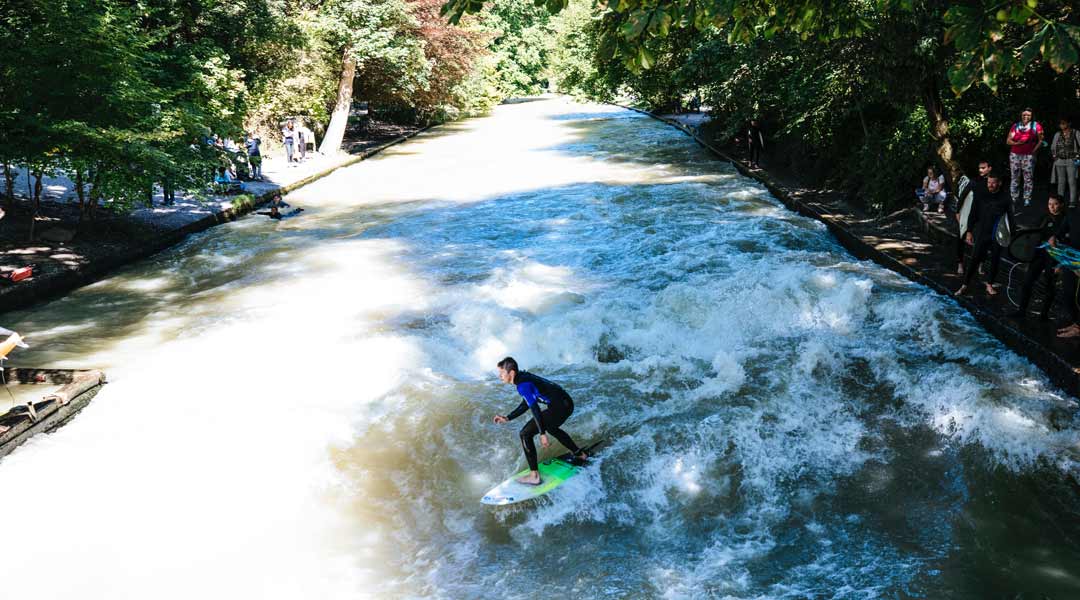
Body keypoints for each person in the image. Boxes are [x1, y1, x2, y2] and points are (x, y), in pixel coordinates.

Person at [492, 357, 587, 486]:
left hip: (560, 407)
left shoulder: (522, 385)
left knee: (525, 434)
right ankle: (579, 454)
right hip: (566, 403)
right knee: (552, 427)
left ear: (512, 373)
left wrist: (542, 433)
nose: (500, 376)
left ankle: (534, 476)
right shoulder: (523, 377)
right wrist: (508, 417)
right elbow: (527, 402)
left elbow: (534, 408)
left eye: (502, 373)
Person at [1007, 192, 1067, 320]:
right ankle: (1021, 311)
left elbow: (1068, 243)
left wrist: (1061, 264)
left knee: (1049, 286)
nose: (1052, 207)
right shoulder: (1044, 217)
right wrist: (1026, 254)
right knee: (1027, 282)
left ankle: (1043, 315)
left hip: (1054, 258)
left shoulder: (1065, 220)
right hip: (1039, 256)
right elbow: (1032, 234)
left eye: (1055, 204)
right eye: (1050, 204)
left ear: (1061, 205)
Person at [956, 172, 1010, 296]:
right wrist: (969, 231)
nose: (990, 185)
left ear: (999, 183)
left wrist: (1010, 233)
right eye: (989, 182)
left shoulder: (1005, 197)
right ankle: (964, 285)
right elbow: (973, 214)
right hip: (982, 231)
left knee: (995, 259)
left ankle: (989, 284)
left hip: (998, 233)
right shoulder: (981, 195)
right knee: (974, 258)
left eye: (993, 182)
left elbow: (1009, 216)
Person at [1006, 108, 1044, 209]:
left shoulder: (1036, 126)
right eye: (1024, 115)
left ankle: (1027, 198)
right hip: (1015, 154)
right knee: (1015, 176)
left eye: (1028, 115)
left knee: (1028, 177)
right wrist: (1016, 143)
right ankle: (1014, 197)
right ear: (1021, 115)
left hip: (1028, 155)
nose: (1026, 117)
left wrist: (1034, 151)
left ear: (1032, 116)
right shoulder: (1016, 126)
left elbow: (1041, 140)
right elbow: (1008, 141)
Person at [1050, 117, 1080, 208]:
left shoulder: (1075, 132)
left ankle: (1072, 201)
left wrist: (1078, 156)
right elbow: (1053, 146)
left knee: (1072, 181)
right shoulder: (1057, 134)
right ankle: (1060, 201)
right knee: (1061, 182)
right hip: (1060, 160)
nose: (1061, 125)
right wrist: (1054, 156)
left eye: (1063, 123)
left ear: (1069, 123)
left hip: (1071, 160)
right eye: (1060, 123)